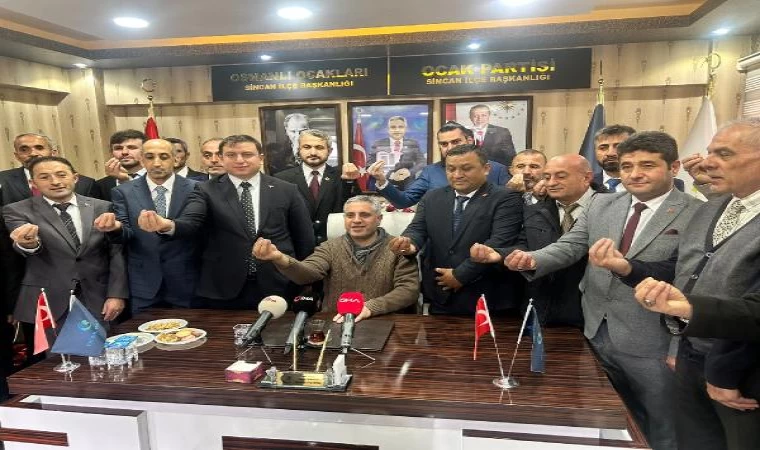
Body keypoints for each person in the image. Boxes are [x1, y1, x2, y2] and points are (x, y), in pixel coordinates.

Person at [479, 131, 702, 450]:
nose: (634, 174)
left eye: (647, 165)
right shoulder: (602, 203)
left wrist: (678, 346)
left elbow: (689, 278)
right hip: (595, 329)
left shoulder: (698, 211)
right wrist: (532, 259)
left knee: (662, 422)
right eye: (627, 166)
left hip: (652, 339)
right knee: (605, 417)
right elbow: (570, 245)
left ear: (674, 167)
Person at [589, 119, 760, 450]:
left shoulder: (693, 206)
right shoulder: (717, 207)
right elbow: (680, 269)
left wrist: (723, 371)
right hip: (690, 353)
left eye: (724, 154)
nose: (707, 163)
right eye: (711, 152)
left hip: (740, 371)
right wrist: (626, 268)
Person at [137, 134, 315, 310]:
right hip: (224, 286)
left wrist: (305, 278)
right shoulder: (205, 190)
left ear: (260, 158)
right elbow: (191, 221)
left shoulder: (286, 189)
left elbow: (303, 238)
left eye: (247, 154)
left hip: (278, 283)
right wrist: (167, 225)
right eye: (231, 155)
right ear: (222, 158)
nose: (240, 160)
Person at [3, 156, 128, 361]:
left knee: (106, 358)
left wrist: (116, 294)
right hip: (50, 299)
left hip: (98, 296)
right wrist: (28, 243)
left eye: (61, 175)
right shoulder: (16, 210)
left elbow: (115, 251)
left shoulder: (102, 206)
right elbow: (26, 245)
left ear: (75, 177)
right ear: (33, 183)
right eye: (45, 177)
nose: (55, 181)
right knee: (60, 363)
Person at [389, 144, 523, 315]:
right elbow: (417, 229)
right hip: (441, 296)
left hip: (488, 299)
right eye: (451, 169)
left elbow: (500, 242)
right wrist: (409, 244)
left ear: (486, 169)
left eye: (466, 169)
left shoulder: (506, 198)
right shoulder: (432, 197)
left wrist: (460, 275)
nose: (457, 175)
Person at [253, 195, 419, 319]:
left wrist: (371, 307)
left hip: (384, 321)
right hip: (335, 321)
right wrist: (279, 258)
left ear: (379, 219)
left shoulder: (398, 247)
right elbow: (307, 274)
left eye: (364, 215)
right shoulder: (330, 247)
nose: (356, 220)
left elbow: (408, 291)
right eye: (350, 215)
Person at [93, 139, 199, 313]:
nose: (156, 163)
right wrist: (115, 228)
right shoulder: (123, 191)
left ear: (176, 159)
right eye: (150, 157)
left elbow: (198, 228)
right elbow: (125, 234)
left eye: (164, 157)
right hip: (144, 283)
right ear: (142, 160)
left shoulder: (197, 188)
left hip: (187, 280)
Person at [507, 154, 604, 328]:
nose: (551, 183)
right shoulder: (535, 208)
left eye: (560, 176)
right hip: (541, 309)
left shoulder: (611, 207)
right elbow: (524, 243)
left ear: (587, 177)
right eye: (547, 177)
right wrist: (504, 255)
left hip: (591, 314)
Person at [369, 122, 511, 208]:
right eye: (444, 144)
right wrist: (382, 180)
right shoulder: (431, 172)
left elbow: (508, 206)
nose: (450, 148)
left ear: (469, 141)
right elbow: (403, 201)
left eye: (456, 142)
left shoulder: (497, 170)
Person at [275, 129, 361, 245]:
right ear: (299, 150)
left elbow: (357, 207)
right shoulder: (281, 179)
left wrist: (350, 181)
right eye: (307, 147)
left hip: (336, 246)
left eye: (319, 147)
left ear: (329, 151)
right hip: (297, 248)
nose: (313, 152)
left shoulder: (342, 176)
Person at [0, 133, 101, 205]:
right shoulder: (2, 179)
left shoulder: (85, 183)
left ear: (53, 153)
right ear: (17, 156)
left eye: (39, 148)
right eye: (24, 150)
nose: (33, 153)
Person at [594, 125, 685, 192]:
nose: (610, 153)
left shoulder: (671, 185)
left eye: (618, 146)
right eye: (603, 148)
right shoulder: (588, 182)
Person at [368, 116, 426, 187]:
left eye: (400, 127)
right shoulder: (378, 144)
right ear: (388, 129)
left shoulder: (413, 143)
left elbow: (422, 162)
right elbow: (369, 164)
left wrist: (409, 172)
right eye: (393, 127)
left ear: (405, 129)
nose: (397, 130)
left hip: (406, 183)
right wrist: (380, 173)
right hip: (382, 182)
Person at [96, 130, 147, 201]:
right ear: (111, 152)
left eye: (131, 147)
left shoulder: (157, 178)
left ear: (145, 151)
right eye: (118, 148)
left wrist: (126, 181)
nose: (124, 152)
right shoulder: (100, 186)